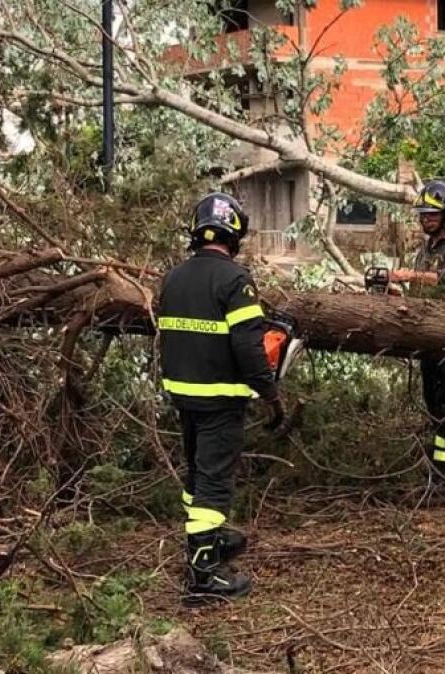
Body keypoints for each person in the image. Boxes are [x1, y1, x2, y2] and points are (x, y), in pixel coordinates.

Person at [158, 192, 285, 605]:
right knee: (214, 483)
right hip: (220, 397)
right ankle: (203, 574)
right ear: (235, 234)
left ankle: (208, 538)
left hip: (184, 393)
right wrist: (269, 391)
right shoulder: (235, 281)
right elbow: (249, 348)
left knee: (197, 472)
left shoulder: (174, 278)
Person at [390, 179, 445, 484]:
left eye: (432, 215)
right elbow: (419, 292)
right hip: (429, 336)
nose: (426, 220)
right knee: (434, 403)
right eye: (423, 215)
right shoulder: (424, 250)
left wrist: (412, 274)